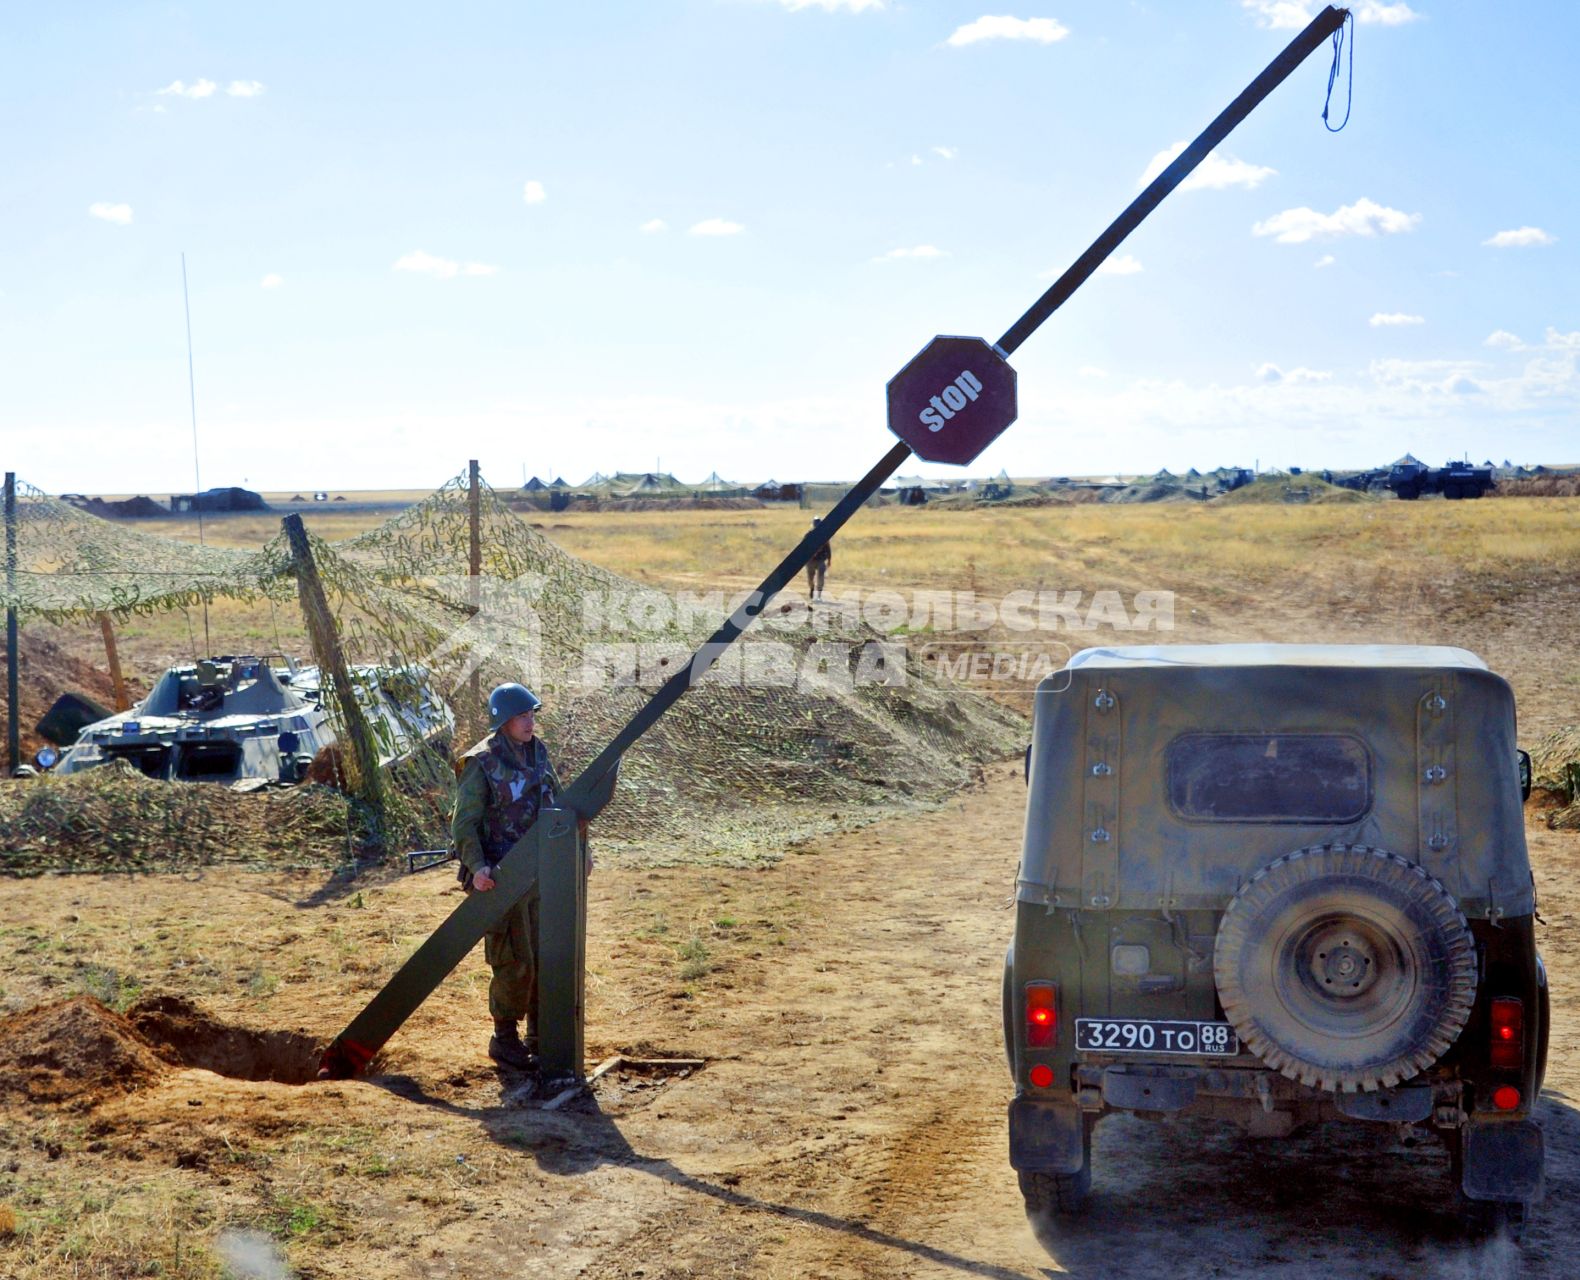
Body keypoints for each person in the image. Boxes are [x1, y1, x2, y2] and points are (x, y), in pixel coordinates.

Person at [451, 682, 562, 1071]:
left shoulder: (538, 752)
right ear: (503, 722)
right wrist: (478, 867)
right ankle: (505, 1040)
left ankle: (540, 1036)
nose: (530, 722)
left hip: (540, 874)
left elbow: (559, 806)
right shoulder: (480, 763)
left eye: (532, 714)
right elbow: (465, 824)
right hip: (500, 878)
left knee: (544, 956)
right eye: (522, 716)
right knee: (514, 960)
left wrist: (582, 851)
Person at [806, 518, 832, 601]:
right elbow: (803, 547)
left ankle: (819, 595)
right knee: (810, 578)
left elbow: (828, 548)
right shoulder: (809, 535)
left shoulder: (824, 536)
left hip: (820, 560)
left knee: (820, 577)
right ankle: (811, 589)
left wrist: (829, 559)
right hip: (810, 560)